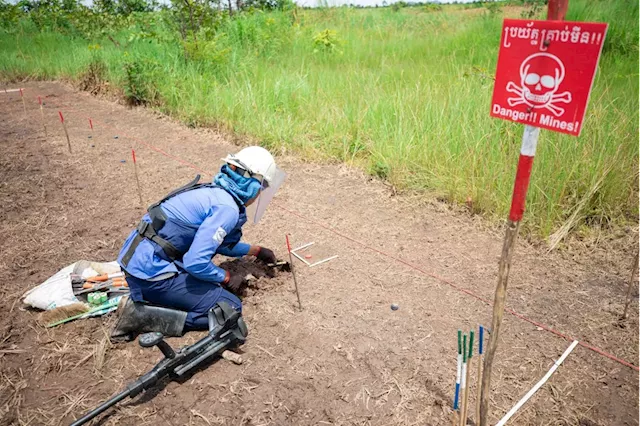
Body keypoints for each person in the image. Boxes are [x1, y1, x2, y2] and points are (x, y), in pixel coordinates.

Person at [111, 146, 286, 340]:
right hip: (150, 274)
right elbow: (196, 262)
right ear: (251, 183)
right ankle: (142, 316)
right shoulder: (227, 208)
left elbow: (218, 244)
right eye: (261, 187)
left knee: (205, 284)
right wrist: (226, 277)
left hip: (137, 261)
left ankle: (151, 300)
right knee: (228, 308)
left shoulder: (214, 192)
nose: (259, 194)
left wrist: (256, 250)